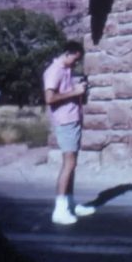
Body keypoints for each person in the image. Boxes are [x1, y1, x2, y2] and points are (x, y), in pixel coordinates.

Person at [43, 40, 95, 225]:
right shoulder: (54, 70)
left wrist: (79, 91)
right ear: (68, 53)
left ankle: (69, 203)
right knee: (68, 164)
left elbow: (66, 92)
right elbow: (49, 98)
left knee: (72, 164)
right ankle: (59, 209)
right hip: (65, 122)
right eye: (75, 59)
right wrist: (74, 92)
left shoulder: (66, 69)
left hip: (73, 120)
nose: (76, 64)